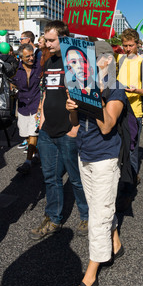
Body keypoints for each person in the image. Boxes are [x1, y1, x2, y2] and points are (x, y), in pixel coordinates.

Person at [66, 41, 125, 286]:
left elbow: (106, 126)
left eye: (97, 60)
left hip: (105, 159)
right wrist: (72, 110)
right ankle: (116, 243)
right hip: (84, 155)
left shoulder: (116, 90)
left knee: (98, 217)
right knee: (97, 208)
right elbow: (75, 124)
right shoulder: (81, 87)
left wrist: (95, 97)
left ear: (106, 63)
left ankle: (90, 275)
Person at [30, 20, 88, 240]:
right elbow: (46, 93)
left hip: (68, 131)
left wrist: (75, 127)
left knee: (76, 178)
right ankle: (53, 218)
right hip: (47, 131)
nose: (46, 43)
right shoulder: (48, 61)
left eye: (51, 39)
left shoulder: (74, 61)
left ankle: (87, 215)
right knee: (51, 179)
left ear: (63, 38)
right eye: (45, 39)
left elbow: (85, 96)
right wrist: (41, 122)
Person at [117, 28, 143, 182]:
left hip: (134, 111)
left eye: (131, 45)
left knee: (132, 149)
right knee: (117, 147)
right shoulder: (118, 59)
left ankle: (131, 180)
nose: (128, 49)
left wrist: (136, 90)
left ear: (138, 44)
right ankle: (120, 178)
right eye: (125, 45)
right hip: (117, 109)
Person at [12, 43, 42, 174]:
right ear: (20, 57)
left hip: (36, 105)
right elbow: (10, 83)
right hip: (23, 107)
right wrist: (12, 89)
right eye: (27, 56)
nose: (31, 58)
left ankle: (28, 162)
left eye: (32, 55)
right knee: (26, 135)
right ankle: (37, 152)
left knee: (33, 133)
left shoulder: (39, 66)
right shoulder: (15, 70)